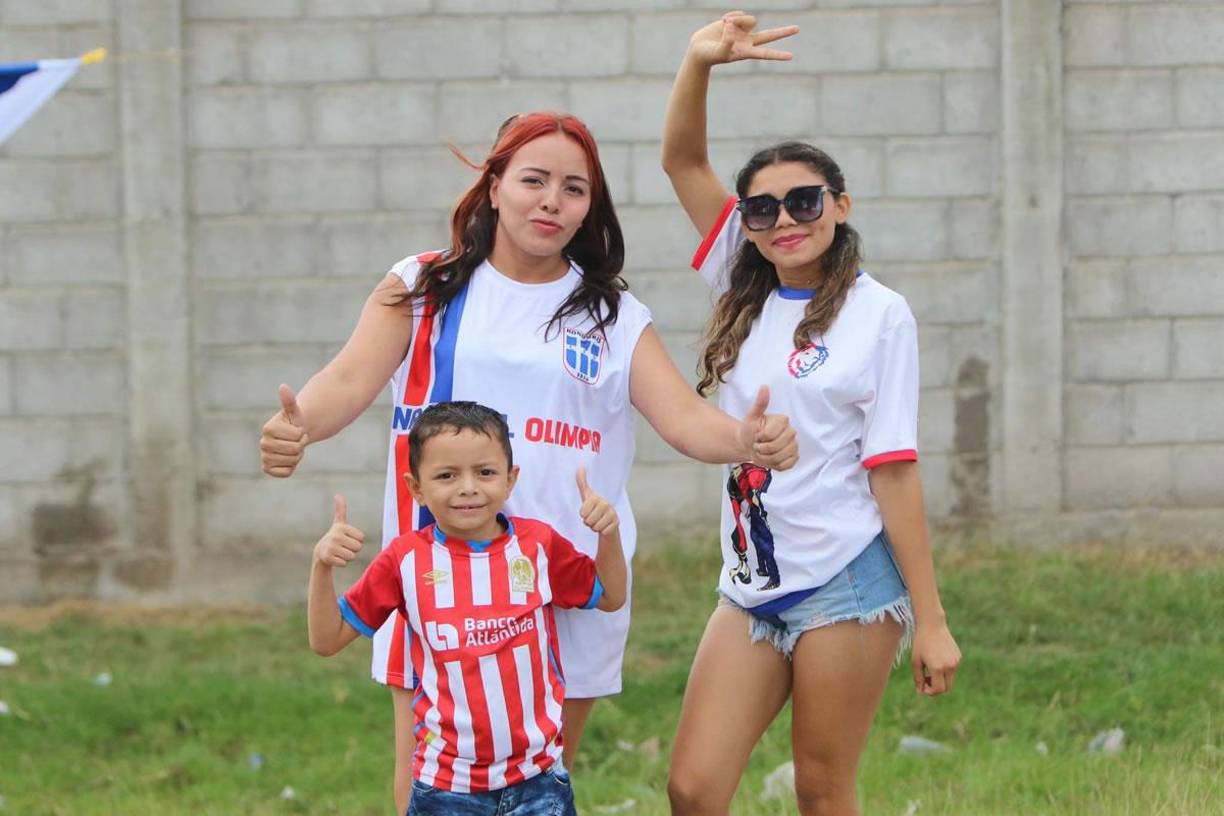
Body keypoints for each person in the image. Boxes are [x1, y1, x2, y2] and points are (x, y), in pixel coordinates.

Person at [259, 111, 798, 814]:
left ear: (588, 208)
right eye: (533, 180)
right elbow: (347, 381)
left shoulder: (609, 314)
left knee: (534, 793)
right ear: (493, 187)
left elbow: (683, 419)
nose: (551, 200)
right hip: (441, 591)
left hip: (565, 585)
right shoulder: (425, 286)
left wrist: (743, 441)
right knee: (429, 794)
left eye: (573, 189)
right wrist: (299, 425)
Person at [660, 13, 962, 815]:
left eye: (804, 200)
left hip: (848, 581)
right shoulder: (739, 279)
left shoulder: (880, 314)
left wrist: (930, 620)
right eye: (762, 210)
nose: (785, 220)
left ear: (840, 202)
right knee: (692, 788)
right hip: (753, 584)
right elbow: (682, 159)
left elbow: (892, 466)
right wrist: (699, 62)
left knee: (824, 791)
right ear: (746, 227)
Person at [307, 401, 624, 815]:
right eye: (446, 476)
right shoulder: (404, 562)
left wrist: (609, 536)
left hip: (539, 781)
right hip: (445, 790)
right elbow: (326, 640)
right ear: (415, 487)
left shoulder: (538, 548)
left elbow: (611, 596)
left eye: (485, 472)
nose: (468, 487)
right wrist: (322, 566)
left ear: (511, 480)